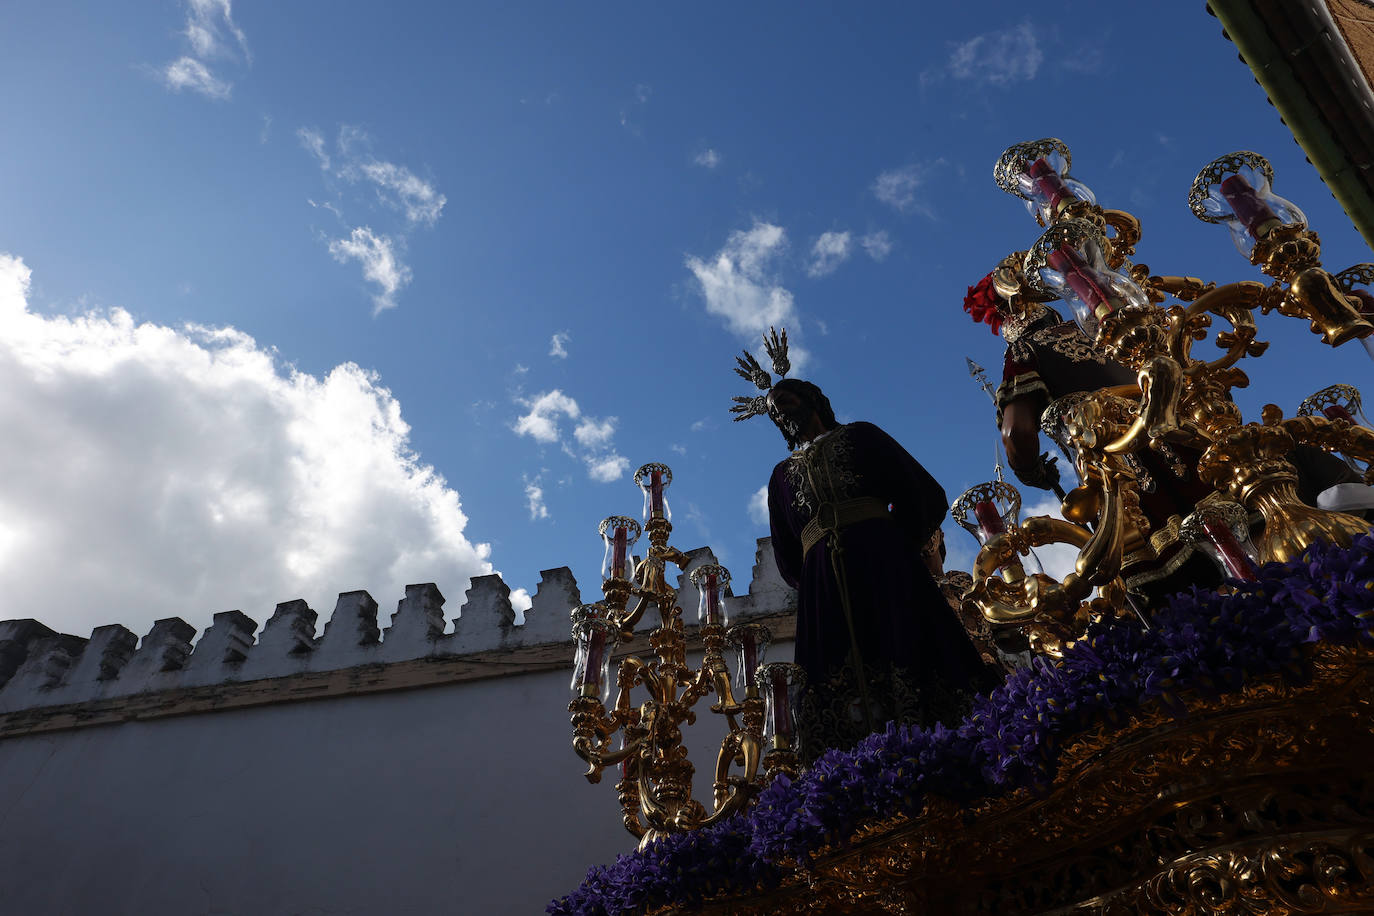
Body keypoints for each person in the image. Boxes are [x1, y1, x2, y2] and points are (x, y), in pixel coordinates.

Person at [732, 338, 998, 761]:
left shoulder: (860, 436)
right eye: (774, 412)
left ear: (811, 399)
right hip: (825, 591)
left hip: (886, 567)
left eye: (785, 402)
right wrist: (818, 578)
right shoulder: (780, 477)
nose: (781, 413)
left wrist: (894, 548)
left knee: (906, 646)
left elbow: (921, 492)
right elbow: (787, 553)